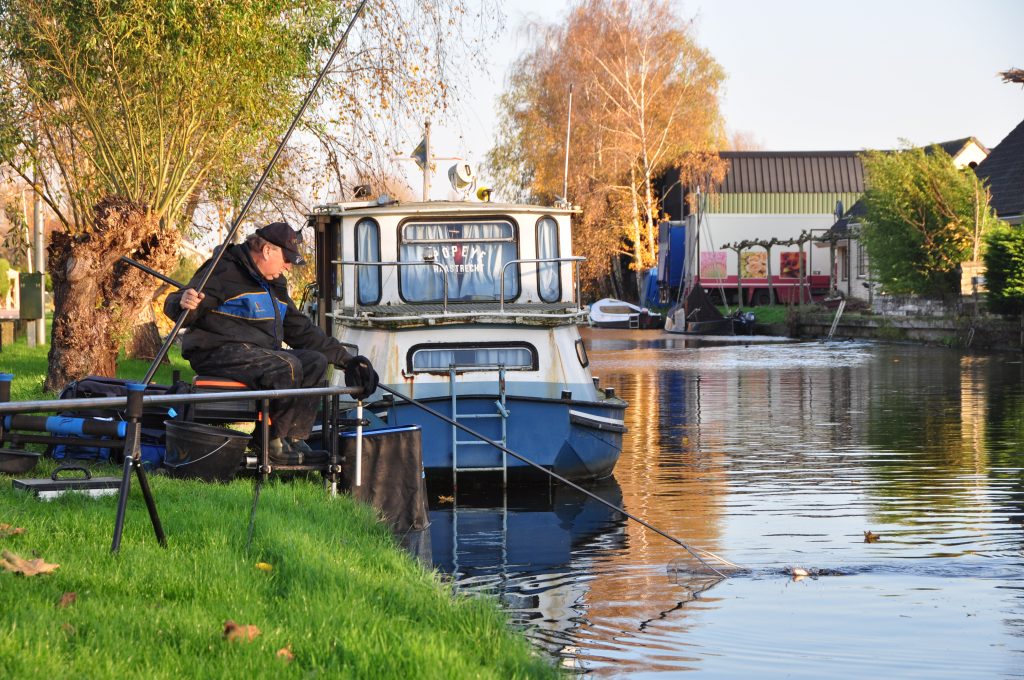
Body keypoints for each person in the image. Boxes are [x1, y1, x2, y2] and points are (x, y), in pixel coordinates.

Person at [165, 221, 378, 465]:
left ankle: (294, 439)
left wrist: (348, 361)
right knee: (286, 365)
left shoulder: (275, 285)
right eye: (286, 259)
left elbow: (302, 330)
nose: (288, 266)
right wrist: (184, 302)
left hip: (258, 353)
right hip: (216, 351)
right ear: (268, 250)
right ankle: (270, 441)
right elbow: (179, 303)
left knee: (315, 362)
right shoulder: (223, 270)